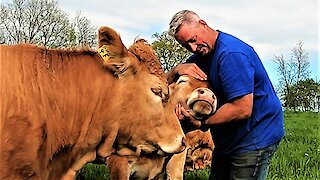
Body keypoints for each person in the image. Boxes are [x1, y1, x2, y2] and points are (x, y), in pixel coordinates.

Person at [167, 10, 284, 180]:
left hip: (254, 137)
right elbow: (162, 85)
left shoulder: (231, 55)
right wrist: (176, 69)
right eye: (186, 45)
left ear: (203, 24)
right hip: (227, 139)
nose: (192, 48)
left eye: (193, 40)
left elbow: (242, 108)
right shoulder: (201, 56)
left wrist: (201, 123)